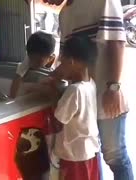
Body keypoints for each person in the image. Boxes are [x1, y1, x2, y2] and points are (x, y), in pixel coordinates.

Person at [43, 0, 134, 179]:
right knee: (91, 152)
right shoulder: (64, 15)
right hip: (84, 102)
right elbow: (66, 60)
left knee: (115, 156)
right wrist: (48, 78)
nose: (46, 1)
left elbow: (116, 43)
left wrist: (114, 87)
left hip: (107, 95)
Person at [52, 36, 99, 180]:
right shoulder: (90, 84)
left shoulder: (74, 90)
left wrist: (52, 90)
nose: (59, 65)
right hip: (89, 153)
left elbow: (59, 119)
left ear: (71, 62)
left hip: (74, 156)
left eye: (62, 61)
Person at [10, 31, 56, 98]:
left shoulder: (55, 63)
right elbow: (17, 77)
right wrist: (12, 99)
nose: (33, 63)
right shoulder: (29, 58)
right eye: (31, 59)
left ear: (51, 58)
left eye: (38, 61)